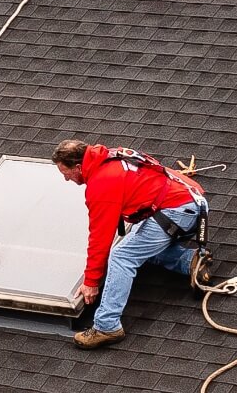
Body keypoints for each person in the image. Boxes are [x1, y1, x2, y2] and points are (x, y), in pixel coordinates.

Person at [52, 139, 214, 349]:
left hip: (176, 212)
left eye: (65, 172)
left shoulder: (102, 183)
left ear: (78, 167)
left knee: (122, 255)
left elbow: (100, 238)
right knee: (137, 244)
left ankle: (106, 325)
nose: (65, 179)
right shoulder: (111, 155)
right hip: (191, 202)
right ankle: (190, 261)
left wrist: (91, 281)